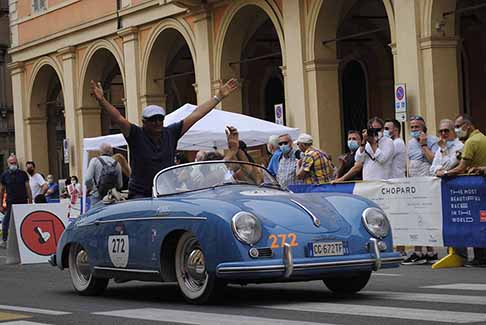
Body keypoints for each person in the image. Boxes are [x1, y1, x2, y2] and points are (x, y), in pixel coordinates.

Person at [90, 78, 239, 199]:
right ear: (144, 122)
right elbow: (119, 118)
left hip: (166, 192)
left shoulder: (170, 133)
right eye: (152, 119)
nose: (157, 123)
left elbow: (196, 115)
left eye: (160, 119)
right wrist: (102, 100)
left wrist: (218, 97)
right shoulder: (136, 134)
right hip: (140, 195)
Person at [436, 114, 486, 267]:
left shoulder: (471, 142)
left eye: (458, 126)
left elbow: (461, 168)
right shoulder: (483, 138)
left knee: (476, 221)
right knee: (482, 221)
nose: (457, 130)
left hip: (476, 190)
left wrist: (444, 174)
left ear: (468, 126)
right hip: (480, 186)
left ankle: (480, 257)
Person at [402, 115, 439, 265]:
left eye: (417, 127)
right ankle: (423, 251)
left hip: (427, 180)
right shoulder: (410, 143)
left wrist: (424, 145)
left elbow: (434, 159)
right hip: (414, 181)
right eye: (412, 127)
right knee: (416, 216)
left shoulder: (432, 141)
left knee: (425, 215)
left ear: (423, 128)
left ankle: (429, 251)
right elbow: (411, 162)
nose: (414, 130)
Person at [0, 155, 32, 247]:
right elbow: (1, 190)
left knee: (24, 220)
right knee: (6, 221)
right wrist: (1, 204)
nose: (13, 164)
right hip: (11, 202)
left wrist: (30, 200)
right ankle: (5, 239)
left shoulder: (23, 174)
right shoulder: (4, 175)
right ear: (8, 163)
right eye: (11, 163)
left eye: (14, 162)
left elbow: (28, 188)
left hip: (23, 201)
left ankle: (25, 239)